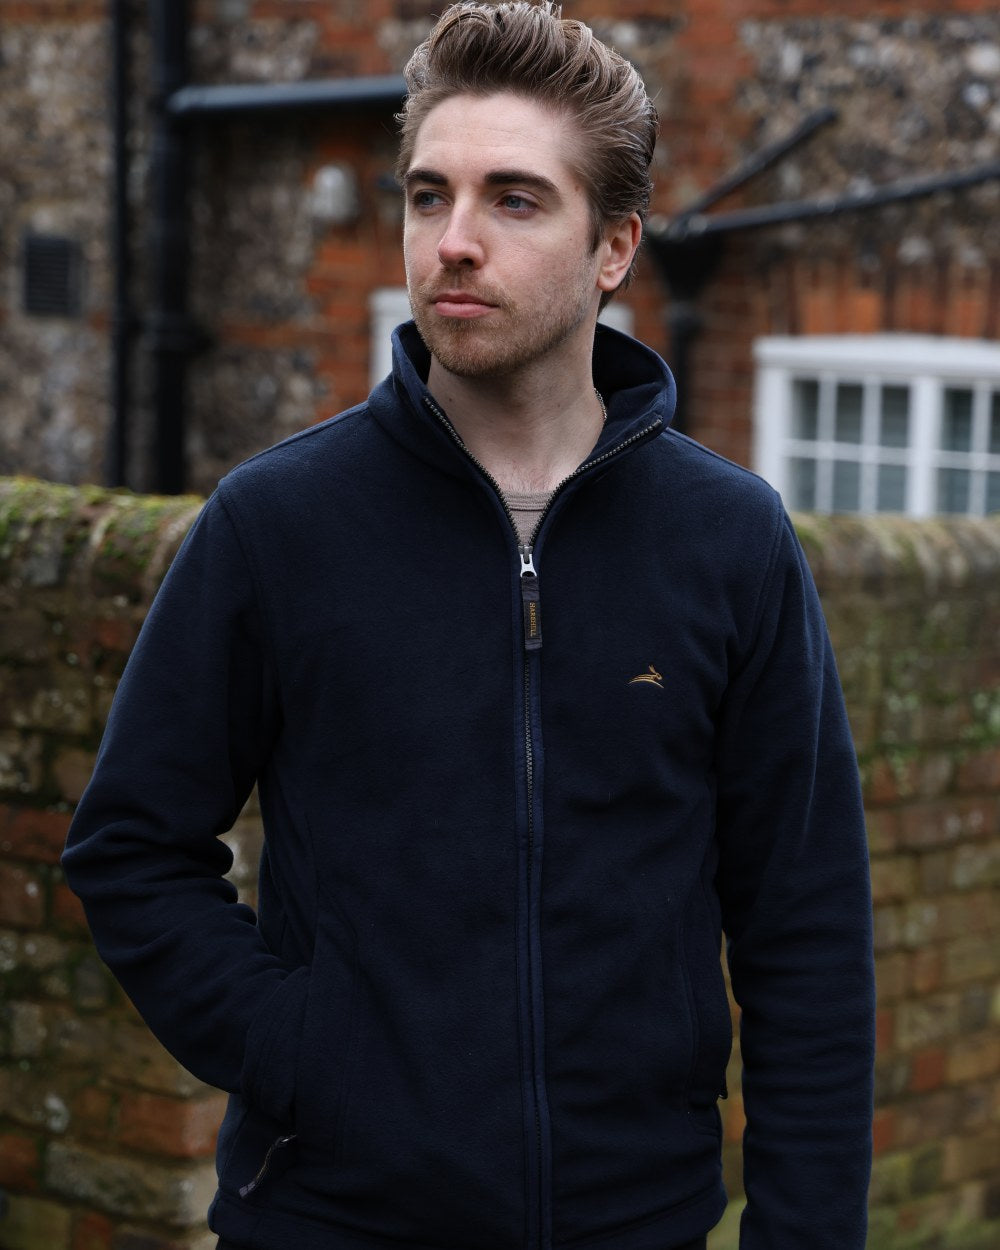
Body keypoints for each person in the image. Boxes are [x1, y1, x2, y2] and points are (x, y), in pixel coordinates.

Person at [62, 4, 875, 1249]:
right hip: (331, 1219)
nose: (451, 241)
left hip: (633, 1219)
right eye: (426, 194)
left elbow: (803, 925)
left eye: (512, 200)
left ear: (612, 248)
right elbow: (128, 846)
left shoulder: (729, 539)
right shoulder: (279, 523)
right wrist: (301, 1048)